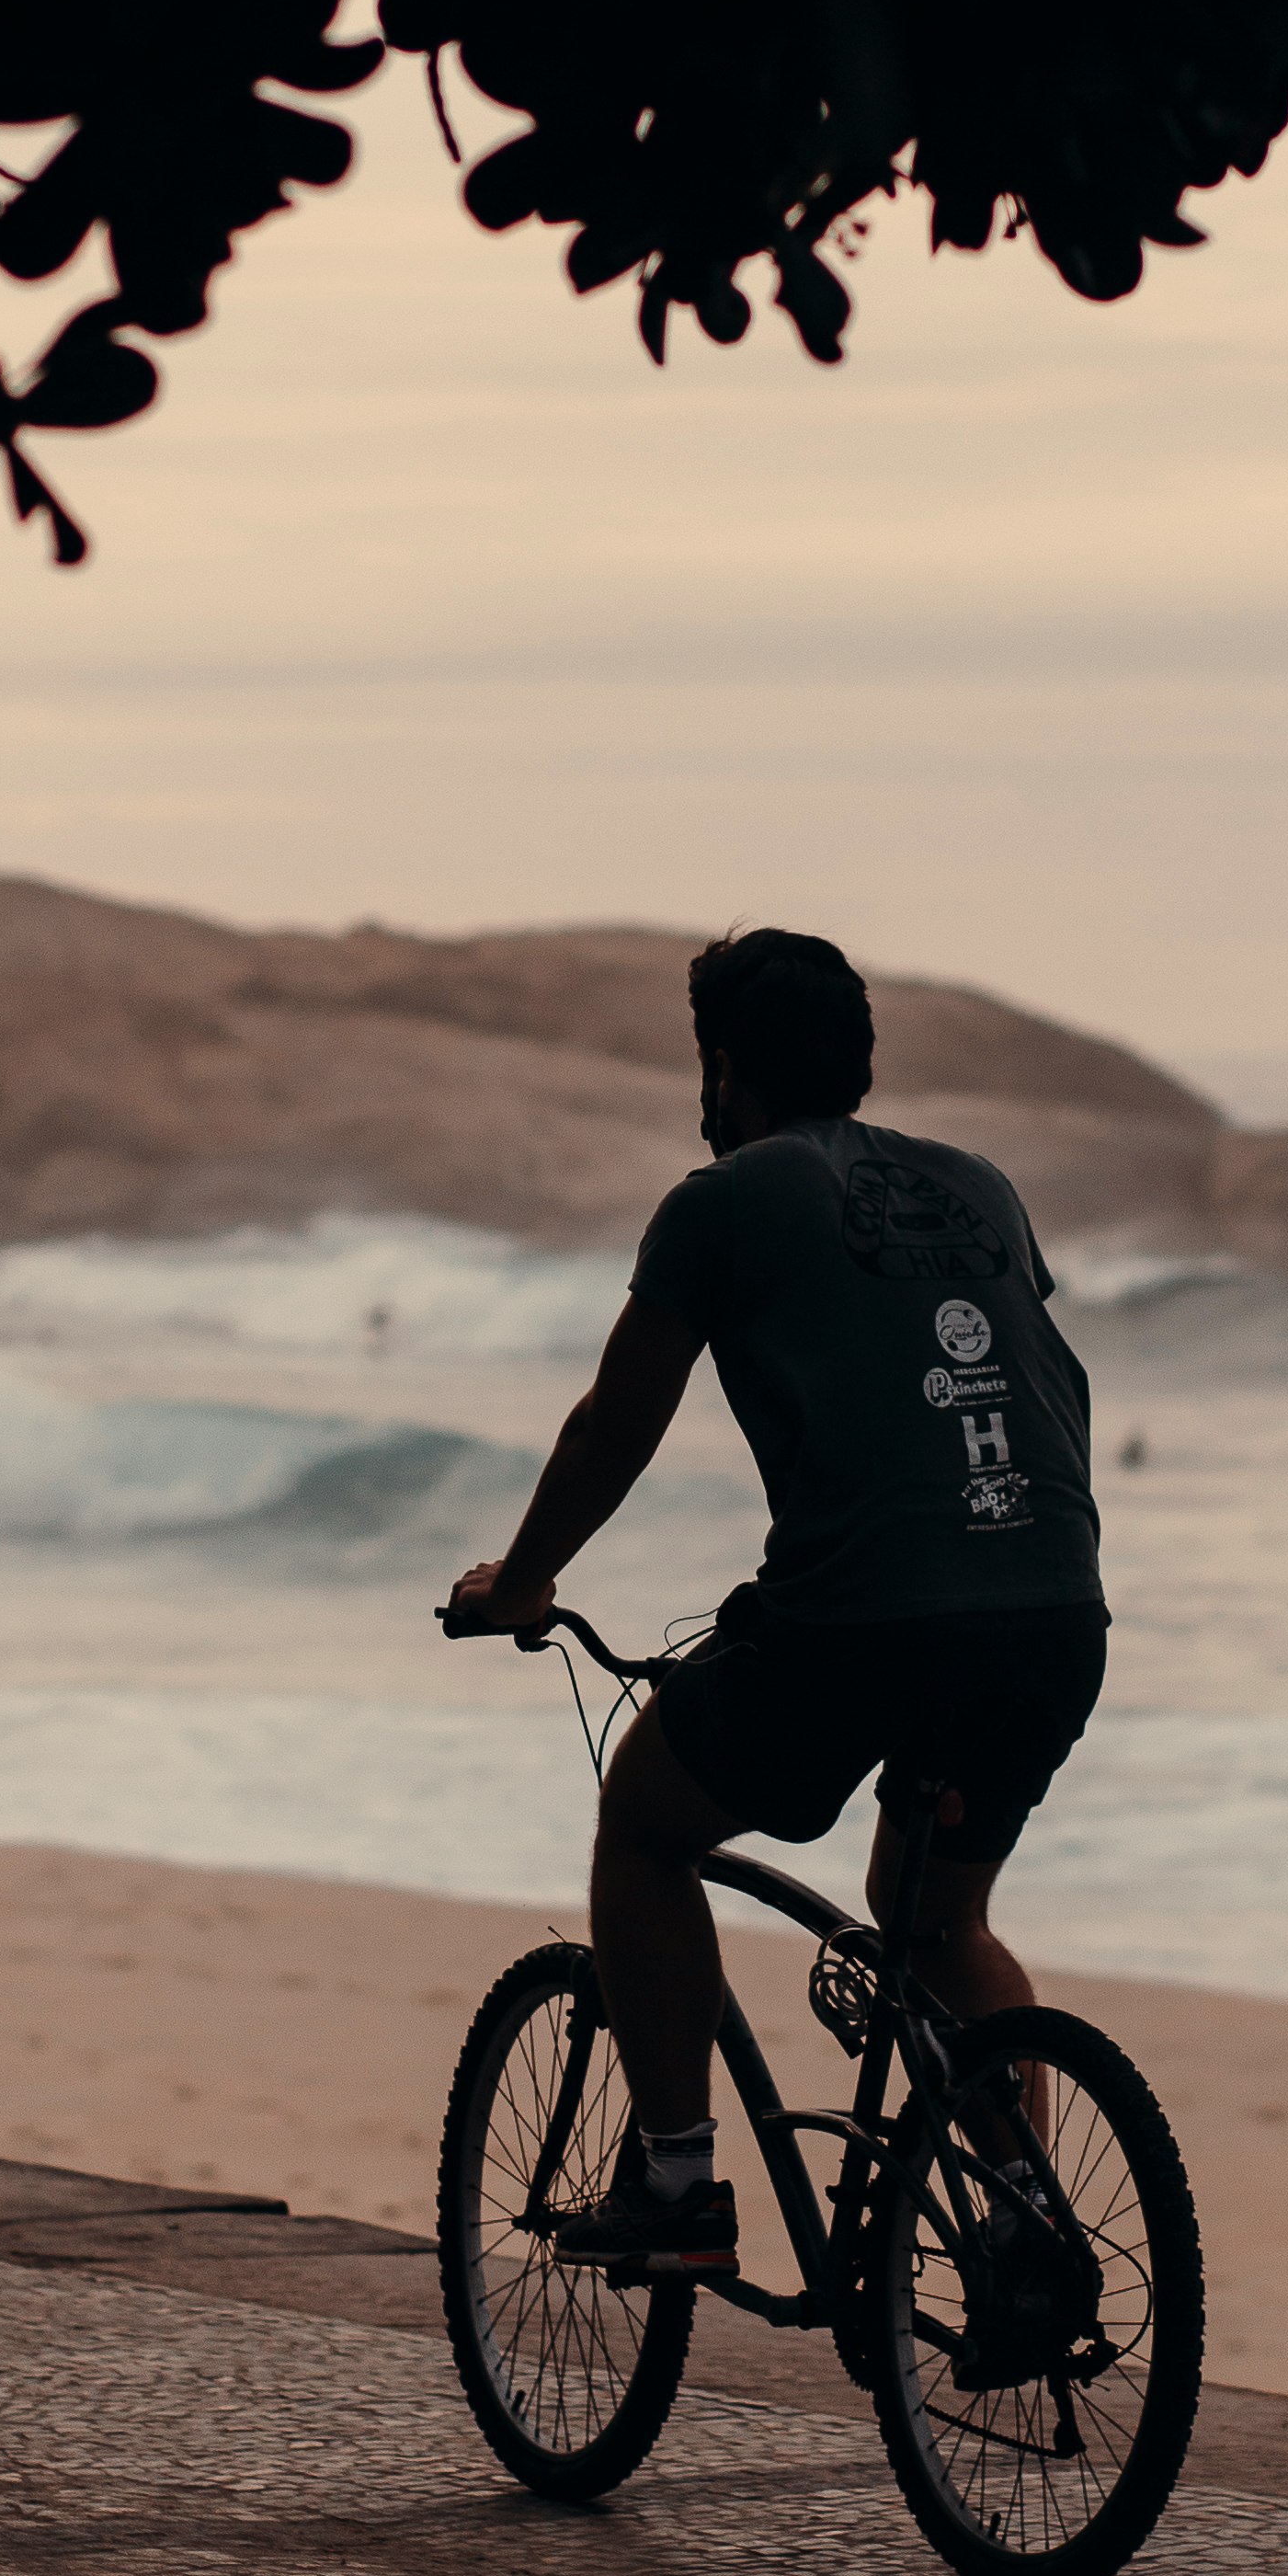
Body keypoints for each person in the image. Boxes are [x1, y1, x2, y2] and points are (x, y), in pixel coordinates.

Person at [441, 926, 1109, 2277]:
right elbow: (1050, 1386)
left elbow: (618, 1418)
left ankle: (679, 2185)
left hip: (867, 1616)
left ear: (724, 1063)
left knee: (644, 1822)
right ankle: (1024, 2223)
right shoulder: (980, 1185)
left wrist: (523, 1583)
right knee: (938, 1921)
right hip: (1051, 1609)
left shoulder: (720, 1200)